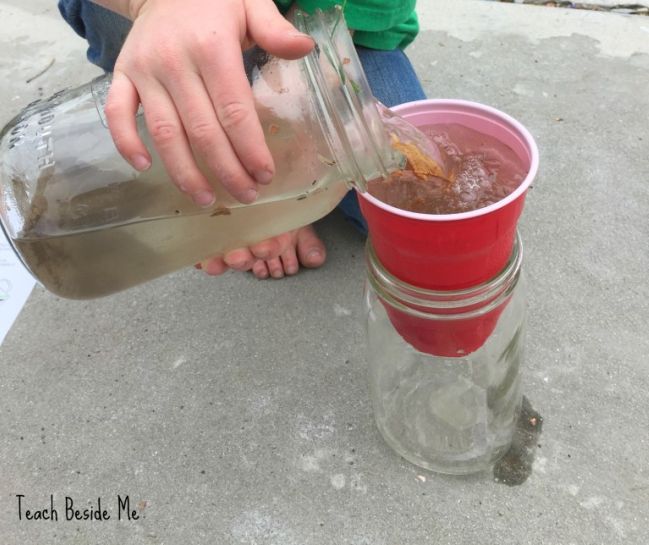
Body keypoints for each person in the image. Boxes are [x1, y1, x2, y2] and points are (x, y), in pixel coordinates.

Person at [58, 0, 426, 279]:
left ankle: (251, 168)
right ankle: (166, 96)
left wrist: (294, 121)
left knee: (413, 221)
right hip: (166, 18)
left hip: (334, 25)